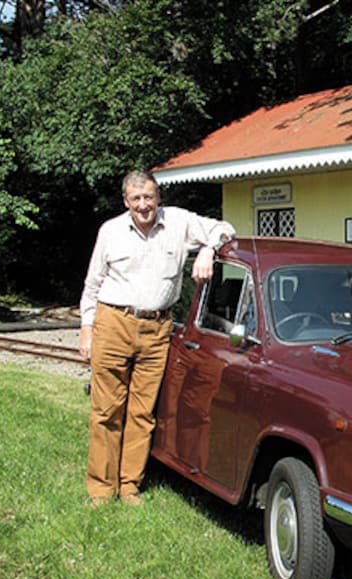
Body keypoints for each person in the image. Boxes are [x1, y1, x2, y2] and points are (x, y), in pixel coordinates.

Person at [79, 170, 235, 506]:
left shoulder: (178, 222)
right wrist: (87, 329)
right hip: (113, 323)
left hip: (156, 329)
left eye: (148, 197)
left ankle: (129, 485)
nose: (143, 205)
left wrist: (208, 249)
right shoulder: (110, 231)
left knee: (142, 411)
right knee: (106, 409)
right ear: (126, 201)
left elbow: (225, 228)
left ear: (158, 196)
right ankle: (101, 489)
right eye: (136, 199)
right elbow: (92, 286)